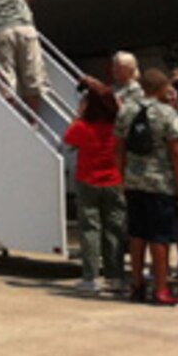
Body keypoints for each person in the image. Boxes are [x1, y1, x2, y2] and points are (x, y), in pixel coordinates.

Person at [115, 67, 178, 305]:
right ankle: (161, 288)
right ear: (160, 88)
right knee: (160, 238)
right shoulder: (167, 114)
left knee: (137, 235)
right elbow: (177, 152)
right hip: (160, 184)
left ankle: (137, 284)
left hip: (134, 182)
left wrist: (121, 177)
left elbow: (118, 147)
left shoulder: (126, 111)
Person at [63, 86, 127, 296]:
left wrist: (79, 114)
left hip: (88, 179)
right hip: (114, 180)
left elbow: (68, 140)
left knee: (90, 229)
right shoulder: (117, 126)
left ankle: (91, 277)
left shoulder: (83, 126)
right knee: (114, 229)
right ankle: (115, 276)